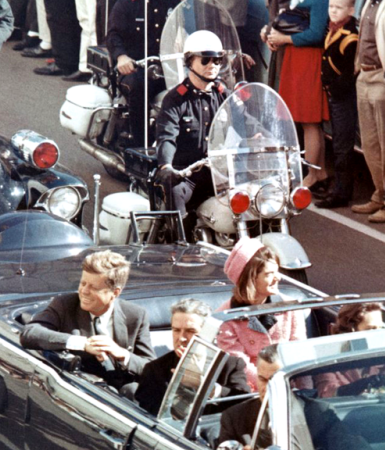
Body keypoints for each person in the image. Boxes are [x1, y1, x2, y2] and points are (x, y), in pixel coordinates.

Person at [20, 250, 156, 390]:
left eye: (94, 287)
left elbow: (152, 369)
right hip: (80, 391)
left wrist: (122, 354)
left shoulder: (136, 315)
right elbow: (29, 333)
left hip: (123, 398)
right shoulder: (65, 305)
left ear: (115, 293)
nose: (84, 291)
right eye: (83, 283)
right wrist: (82, 343)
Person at [155, 30, 229, 240]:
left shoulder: (223, 93)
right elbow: (166, 135)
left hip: (219, 174)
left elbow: (244, 121)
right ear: (189, 61)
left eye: (217, 60)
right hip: (187, 175)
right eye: (205, 59)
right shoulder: (175, 99)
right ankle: (180, 246)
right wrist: (166, 165)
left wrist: (262, 137)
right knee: (176, 193)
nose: (212, 65)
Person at [215, 238, 307, 390]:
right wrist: (272, 387)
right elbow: (240, 365)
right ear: (250, 279)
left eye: (277, 271)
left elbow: (299, 353)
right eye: (269, 274)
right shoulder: (226, 317)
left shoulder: (290, 306)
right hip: (251, 391)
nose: (278, 278)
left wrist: (306, 393)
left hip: (291, 384)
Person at [135, 298, 250, 415]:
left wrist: (205, 386)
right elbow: (150, 416)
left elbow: (243, 403)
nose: (181, 338)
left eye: (190, 331)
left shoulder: (230, 365)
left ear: (207, 333)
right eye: (176, 330)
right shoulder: (154, 370)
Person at [264, 0, 331, 194]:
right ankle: (320, 173)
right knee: (307, 123)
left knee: (310, 122)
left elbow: (316, 34)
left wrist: (284, 39)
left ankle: (313, 174)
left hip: (308, 60)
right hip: (297, 58)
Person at [349, 0, 385, 223]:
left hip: (381, 76)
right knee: (370, 143)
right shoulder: (367, 4)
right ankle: (379, 194)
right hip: (364, 75)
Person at [106, 0, 180, 148]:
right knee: (140, 86)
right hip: (135, 67)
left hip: (169, 66)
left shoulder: (175, 3)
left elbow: (190, 30)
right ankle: (140, 145)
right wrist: (121, 56)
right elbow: (113, 35)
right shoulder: (127, 4)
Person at [315, 0, 360, 209]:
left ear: (351, 10)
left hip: (343, 97)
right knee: (338, 141)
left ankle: (342, 192)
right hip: (334, 96)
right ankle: (340, 188)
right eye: (331, 7)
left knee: (343, 145)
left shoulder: (350, 36)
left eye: (339, 8)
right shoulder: (334, 29)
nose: (333, 11)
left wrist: (336, 88)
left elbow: (349, 72)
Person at [313, 302, 385, 397]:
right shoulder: (327, 358)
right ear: (351, 330)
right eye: (371, 329)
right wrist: (358, 386)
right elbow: (327, 393)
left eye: (380, 328)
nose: (378, 334)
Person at [218, 345, 281, 447]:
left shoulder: (311, 413)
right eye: (262, 379)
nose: (267, 388)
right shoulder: (234, 417)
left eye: (274, 382)